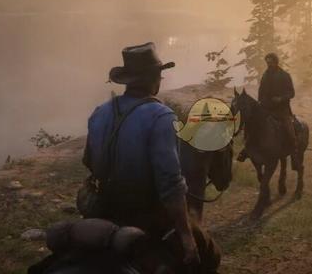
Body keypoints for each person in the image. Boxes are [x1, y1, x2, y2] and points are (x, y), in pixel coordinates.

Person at [81, 42, 219, 273]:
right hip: (145, 213)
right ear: (153, 78)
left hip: (104, 207)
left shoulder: (100, 112)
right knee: (209, 254)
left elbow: (88, 161)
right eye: (159, 75)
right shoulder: (161, 115)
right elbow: (171, 185)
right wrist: (186, 236)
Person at [237, 52, 296, 162]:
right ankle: (247, 149)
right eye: (267, 62)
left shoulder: (285, 75)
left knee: (289, 130)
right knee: (254, 126)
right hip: (266, 108)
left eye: (271, 62)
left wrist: (281, 98)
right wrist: (260, 102)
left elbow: (291, 93)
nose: (269, 64)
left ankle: (294, 150)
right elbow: (261, 90)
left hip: (281, 109)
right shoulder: (265, 75)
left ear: (276, 62)